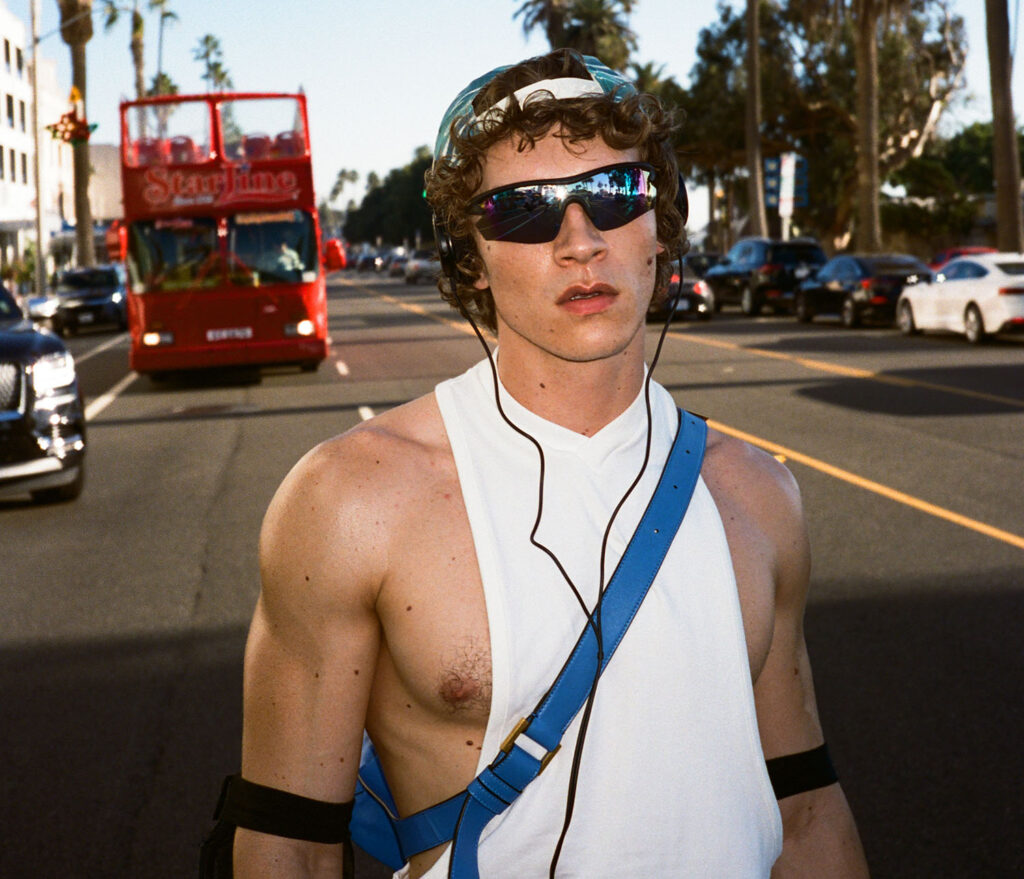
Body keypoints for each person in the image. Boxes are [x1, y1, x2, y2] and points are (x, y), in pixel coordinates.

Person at [226, 49, 869, 878]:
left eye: (614, 193)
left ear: (660, 222)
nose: (580, 240)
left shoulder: (758, 496)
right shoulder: (348, 500)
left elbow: (806, 809)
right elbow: (289, 848)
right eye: (525, 212)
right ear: (472, 256)